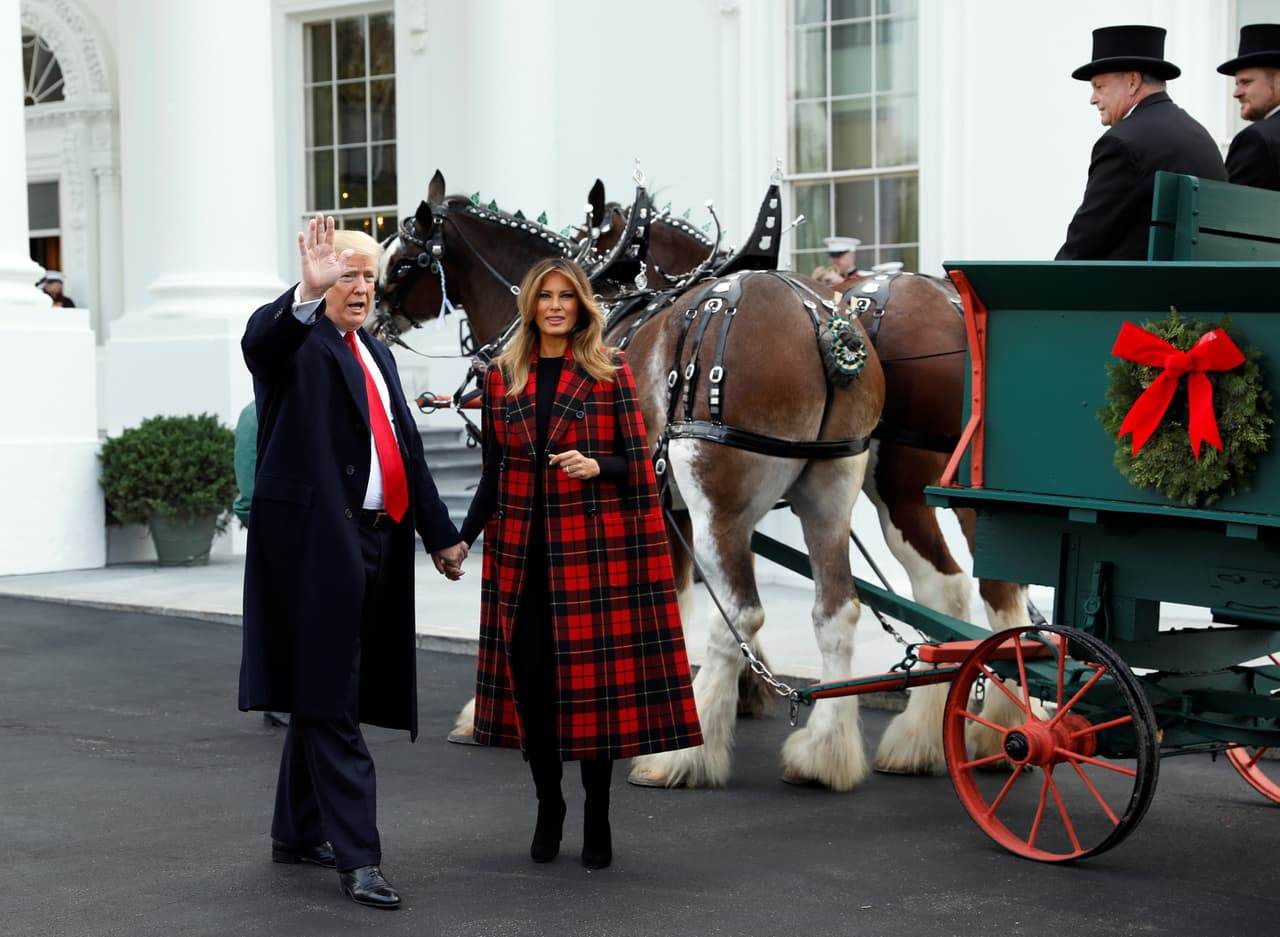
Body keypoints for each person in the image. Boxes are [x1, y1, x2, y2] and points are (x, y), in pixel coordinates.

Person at [239, 216, 467, 910]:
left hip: (377, 540)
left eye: (368, 274)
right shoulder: (297, 341)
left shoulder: (378, 352)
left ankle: (294, 829)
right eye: (347, 272)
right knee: (334, 698)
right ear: (320, 279)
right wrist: (302, 295)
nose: (361, 286)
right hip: (314, 550)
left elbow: (407, 451)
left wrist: (440, 533)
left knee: (326, 687)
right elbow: (261, 342)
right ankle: (358, 857)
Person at [458, 256, 702, 870]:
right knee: (534, 692)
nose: (557, 306)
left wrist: (599, 466)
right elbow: (494, 472)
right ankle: (549, 805)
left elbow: (639, 464)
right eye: (547, 297)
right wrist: (462, 538)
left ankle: (596, 811)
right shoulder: (499, 379)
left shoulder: (608, 371)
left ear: (582, 304)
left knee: (592, 695)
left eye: (567, 296)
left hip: (590, 562)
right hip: (521, 562)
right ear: (531, 307)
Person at [1056, 25, 1226, 260]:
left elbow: (1084, 243)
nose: (1093, 99)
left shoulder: (1122, 143)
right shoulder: (1200, 136)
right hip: (1196, 290)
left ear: (1133, 82)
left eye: (1099, 87)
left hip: (1138, 292)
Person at [232, 399, 290, 730]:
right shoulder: (254, 413)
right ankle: (279, 699)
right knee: (283, 618)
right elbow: (248, 494)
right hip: (277, 531)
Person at [1219, 24, 1280, 190]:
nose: (1236, 93)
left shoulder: (1256, 139)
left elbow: (1231, 209)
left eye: (1246, 82)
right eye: (1237, 84)